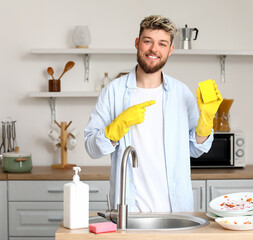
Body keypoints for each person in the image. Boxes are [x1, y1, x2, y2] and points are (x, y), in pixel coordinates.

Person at [84, 15, 223, 212]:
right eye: (148, 41)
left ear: (170, 50)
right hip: (128, 213)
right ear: (137, 43)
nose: (154, 49)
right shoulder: (113, 92)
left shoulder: (181, 92)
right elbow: (91, 148)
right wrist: (115, 129)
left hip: (176, 213)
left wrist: (206, 121)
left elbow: (196, 149)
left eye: (162, 44)